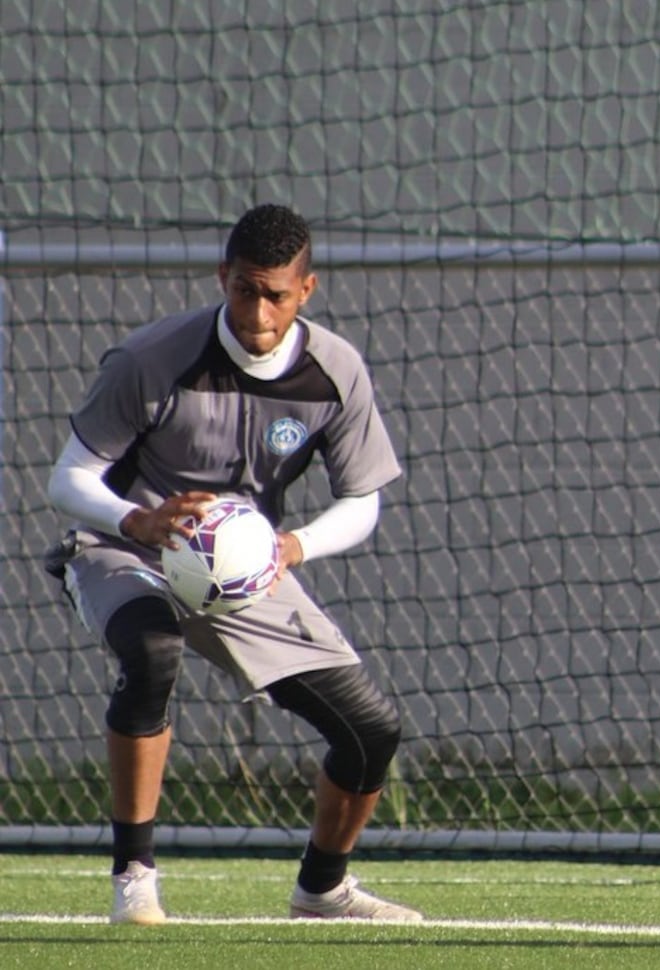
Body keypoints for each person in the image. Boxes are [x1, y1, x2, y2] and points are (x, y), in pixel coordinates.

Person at [44, 204, 422, 925]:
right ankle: (135, 878)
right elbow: (68, 478)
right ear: (223, 277)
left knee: (370, 731)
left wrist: (293, 546)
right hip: (128, 549)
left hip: (246, 571)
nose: (257, 308)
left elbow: (363, 502)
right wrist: (139, 520)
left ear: (305, 290)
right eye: (244, 288)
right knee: (153, 653)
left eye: (275, 293)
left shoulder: (335, 371)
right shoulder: (152, 359)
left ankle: (323, 890)